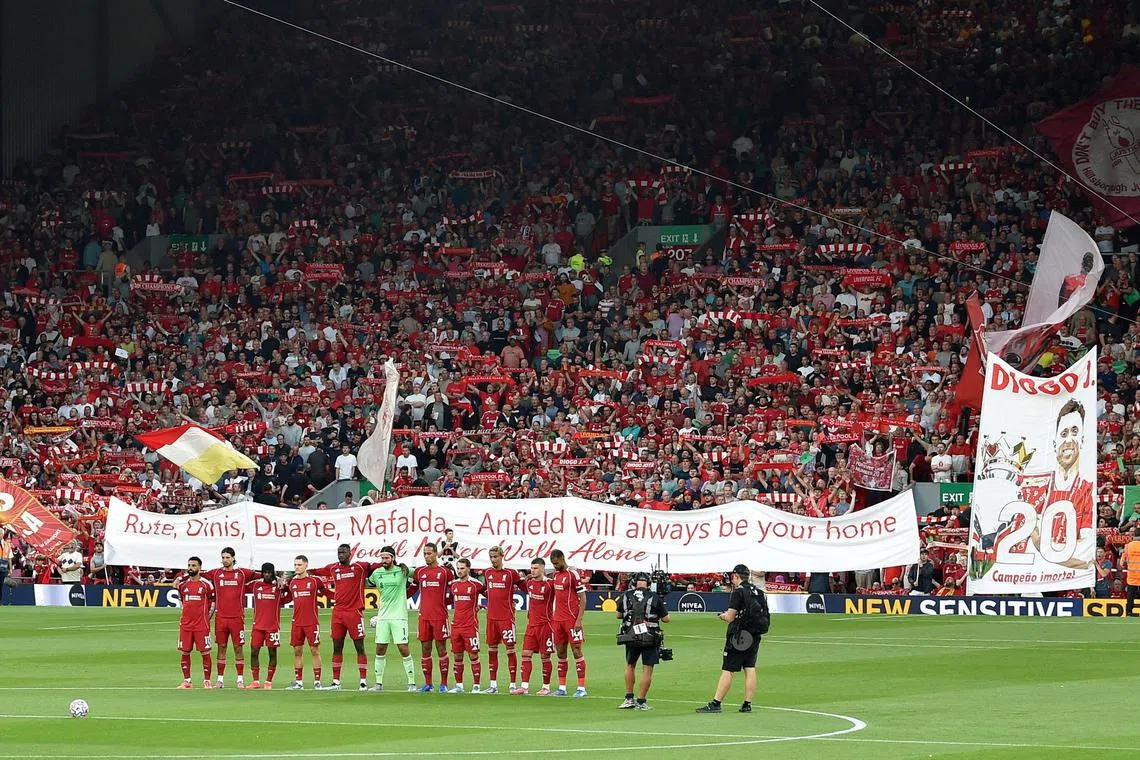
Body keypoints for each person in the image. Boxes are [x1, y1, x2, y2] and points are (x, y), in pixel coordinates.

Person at [1022, 399, 1096, 569]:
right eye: (1064, 434)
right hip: (1037, 575)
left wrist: (1043, 546)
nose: (1069, 440)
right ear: (1054, 443)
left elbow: (1085, 556)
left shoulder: (1087, 490)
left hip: (1068, 578)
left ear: (1083, 440)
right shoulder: (1037, 489)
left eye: (1075, 432)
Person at [696, 564, 766, 713]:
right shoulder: (759, 592)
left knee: (728, 668)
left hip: (740, 635)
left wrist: (722, 616)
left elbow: (730, 617)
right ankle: (747, 703)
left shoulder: (738, 592)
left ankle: (716, 703)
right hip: (755, 633)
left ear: (736, 576)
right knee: (750, 667)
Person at [312, 543, 379, 690]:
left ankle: (363, 681)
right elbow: (316, 570)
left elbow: (376, 566)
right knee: (337, 647)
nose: (340, 554)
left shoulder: (360, 567)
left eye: (343, 552)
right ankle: (336, 681)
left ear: (350, 553)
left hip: (354, 612)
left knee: (359, 647)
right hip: (338, 613)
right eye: (339, 552)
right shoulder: (333, 568)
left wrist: (390, 562)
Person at [200, 547, 258, 689]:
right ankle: (220, 680)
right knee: (222, 647)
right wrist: (180, 579)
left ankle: (240, 679)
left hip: (237, 618)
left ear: (233, 558)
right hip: (221, 618)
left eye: (227, 557)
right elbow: (197, 576)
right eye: (223, 557)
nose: (225, 560)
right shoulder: (216, 573)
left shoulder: (243, 573)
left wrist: (278, 580)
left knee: (238, 648)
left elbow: (262, 576)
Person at [366, 545, 418, 691]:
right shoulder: (377, 573)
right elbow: (367, 582)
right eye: (382, 558)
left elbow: (421, 574)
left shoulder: (402, 571)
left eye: (386, 557)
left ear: (393, 558)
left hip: (399, 616)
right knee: (380, 648)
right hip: (383, 616)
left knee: (403, 648)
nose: (384, 560)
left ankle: (412, 683)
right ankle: (378, 683)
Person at [616, 571, 670, 711]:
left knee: (630, 665)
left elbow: (618, 615)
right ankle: (641, 701)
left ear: (633, 583)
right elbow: (666, 619)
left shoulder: (626, 596)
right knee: (647, 669)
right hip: (650, 637)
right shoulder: (654, 597)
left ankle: (628, 698)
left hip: (630, 636)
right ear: (649, 583)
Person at [411, 542, 453, 692]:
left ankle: (444, 683)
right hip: (424, 616)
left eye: (429, 553)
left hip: (440, 616)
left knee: (441, 649)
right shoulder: (419, 572)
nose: (427, 556)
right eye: (425, 554)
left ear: (436, 553)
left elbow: (454, 591)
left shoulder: (445, 572)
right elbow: (414, 587)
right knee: (425, 649)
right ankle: (428, 683)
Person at [483, 545, 523, 694]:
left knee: (510, 650)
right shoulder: (487, 573)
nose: (493, 560)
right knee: (492, 650)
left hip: (506, 618)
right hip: (491, 618)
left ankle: (513, 684)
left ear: (502, 556)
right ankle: (493, 685)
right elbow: (486, 591)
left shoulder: (511, 573)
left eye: (495, 557)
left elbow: (525, 587)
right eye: (491, 557)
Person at [549, 549, 587, 697]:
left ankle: (581, 688)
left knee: (576, 651)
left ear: (562, 559)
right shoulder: (555, 576)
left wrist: (579, 620)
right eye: (553, 564)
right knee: (560, 653)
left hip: (572, 620)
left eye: (557, 563)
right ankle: (562, 688)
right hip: (557, 620)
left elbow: (582, 598)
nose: (555, 566)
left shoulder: (573, 575)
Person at [286, 555, 327, 690]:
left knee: (314, 650)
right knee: (297, 651)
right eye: (295, 565)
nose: (297, 567)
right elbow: (286, 598)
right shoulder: (292, 583)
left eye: (299, 565)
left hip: (311, 622)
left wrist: (340, 598)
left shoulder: (314, 581)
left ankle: (317, 682)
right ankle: (299, 682)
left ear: (306, 565)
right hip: (297, 622)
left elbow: (326, 592)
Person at [248, 562, 291, 689]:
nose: (267, 575)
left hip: (273, 626)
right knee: (254, 652)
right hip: (257, 626)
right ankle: (255, 681)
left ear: (273, 573)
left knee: (272, 653)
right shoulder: (256, 585)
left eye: (269, 573)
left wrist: (283, 582)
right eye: (265, 573)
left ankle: (268, 681)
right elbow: (241, 586)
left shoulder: (279, 586)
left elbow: (290, 592)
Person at [515, 558, 554, 695]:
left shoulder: (550, 584)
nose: (533, 570)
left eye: (536, 568)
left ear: (543, 569)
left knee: (545, 656)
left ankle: (546, 687)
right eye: (532, 568)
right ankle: (524, 687)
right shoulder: (529, 583)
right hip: (531, 625)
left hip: (546, 625)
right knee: (526, 654)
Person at [175, 556, 214, 689]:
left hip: (201, 625)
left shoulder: (206, 584)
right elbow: (182, 602)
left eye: (194, 566)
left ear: (199, 567)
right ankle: (187, 681)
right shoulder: (183, 585)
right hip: (186, 625)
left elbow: (213, 603)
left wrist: (207, 618)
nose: (191, 568)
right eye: (189, 565)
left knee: (205, 652)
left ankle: (207, 681)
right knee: (185, 652)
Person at [447, 557, 484, 693]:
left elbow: (490, 595)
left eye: (462, 568)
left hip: (470, 626)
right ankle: (459, 686)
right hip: (456, 626)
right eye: (458, 568)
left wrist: (480, 605)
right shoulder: (454, 585)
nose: (460, 571)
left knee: (473, 656)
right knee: (457, 656)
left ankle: (476, 686)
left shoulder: (476, 585)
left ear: (468, 569)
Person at [1120, 533, 1140, 616]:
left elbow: (1122, 563)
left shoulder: (1128, 546)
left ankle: (1129, 612)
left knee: (1130, 596)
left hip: (1132, 576)